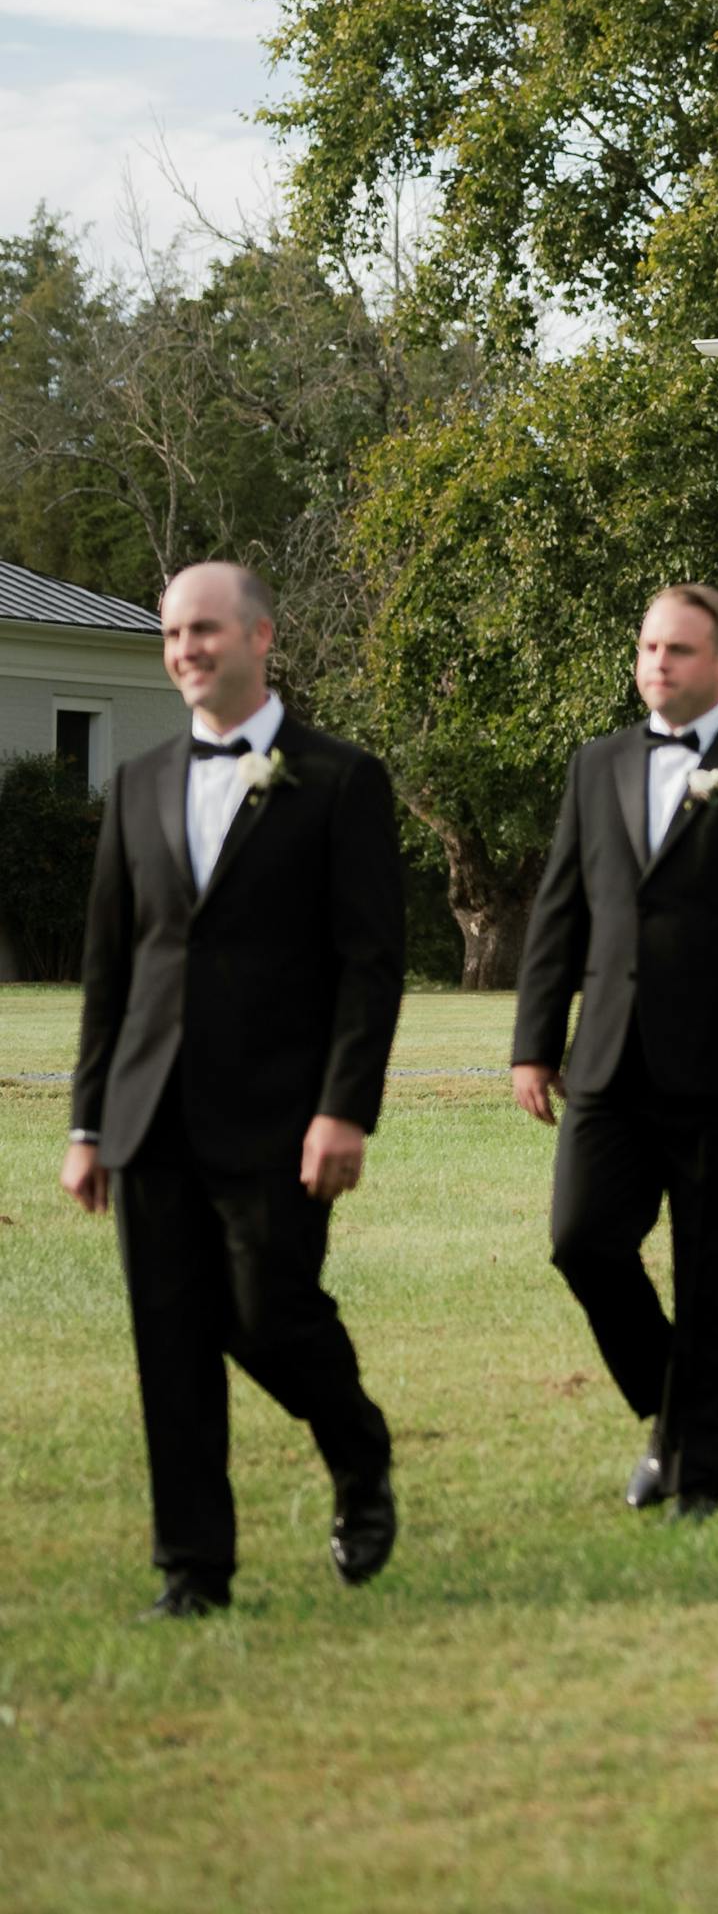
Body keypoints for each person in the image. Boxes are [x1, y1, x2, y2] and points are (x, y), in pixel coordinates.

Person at [60, 560, 405, 1617]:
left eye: (204, 630)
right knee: (168, 1335)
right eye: (172, 634)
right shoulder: (140, 781)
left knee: (269, 1315)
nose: (184, 651)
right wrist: (86, 1123)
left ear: (260, 638)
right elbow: (111, 964)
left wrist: (343, 1108)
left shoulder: (342, 780)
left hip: (281, 1113)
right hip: (148, 1112)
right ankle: (193, 1569)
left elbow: (370, 962)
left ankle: (357, 1452)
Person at [512, 583, 718, 1515]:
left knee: (709, 1274)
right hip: (605, 1062)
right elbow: (559, 910)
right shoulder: (596, 763)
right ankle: (673, 1412)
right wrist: (535, 1042)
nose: (659, 664)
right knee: (582, 1244)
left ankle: (698, 1477)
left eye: (680, 651)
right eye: (650, 648)